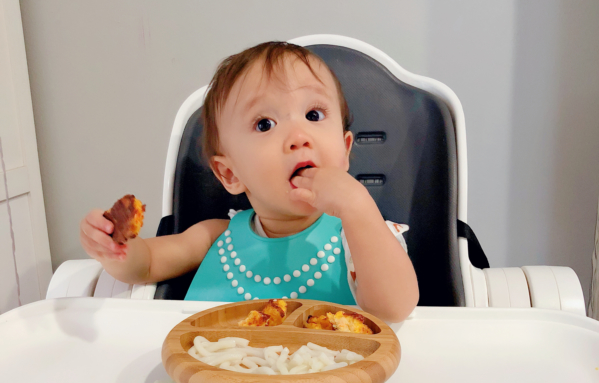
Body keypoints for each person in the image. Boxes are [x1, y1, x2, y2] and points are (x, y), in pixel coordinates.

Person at [80, 42, 419, 322]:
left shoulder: (360, 237)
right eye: (264, 124)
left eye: (314, 115)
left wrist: (358, 206)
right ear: (230, 174)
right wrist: (112, 248)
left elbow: (395, 307)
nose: (298, 137)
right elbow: (147, 264)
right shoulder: (215, 236)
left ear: (344, 152)